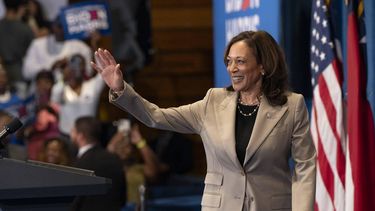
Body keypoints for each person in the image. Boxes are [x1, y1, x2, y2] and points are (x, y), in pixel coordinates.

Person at [91, 30, 316, 211]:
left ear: (263, 66)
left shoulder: (291, 105)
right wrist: (120, 89)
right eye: (229, 61)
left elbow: (305, 165)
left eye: (240, 61)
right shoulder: (213, 102)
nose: (232, 68)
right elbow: (155, 116)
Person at [70, 116, 126, 211]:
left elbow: (74, 201)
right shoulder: (114, 158)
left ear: (80, 136)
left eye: (73, 131)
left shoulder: (81, 164)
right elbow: (122, 197)